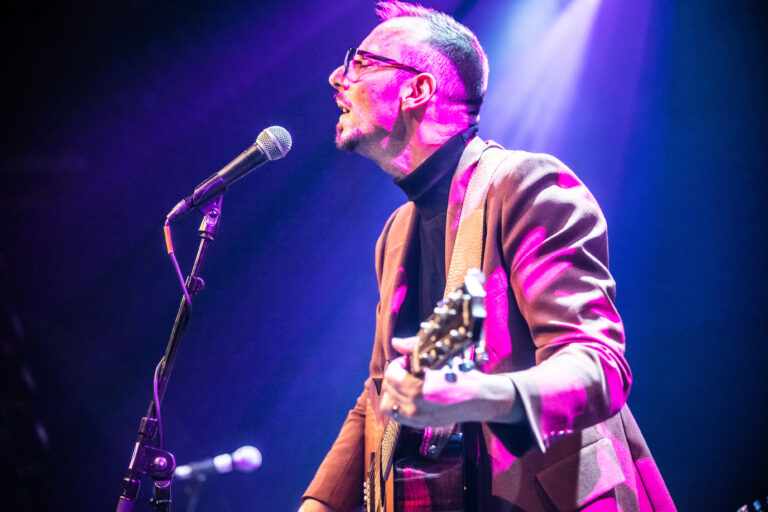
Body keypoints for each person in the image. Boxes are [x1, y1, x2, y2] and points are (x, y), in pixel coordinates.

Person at [300, 2, 674, 511]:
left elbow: (598, 366)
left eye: (360, 63)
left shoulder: (527, 185)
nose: (336, 78)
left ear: (418, 89)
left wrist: (475, 396)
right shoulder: (395, 234)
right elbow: (378, 397)